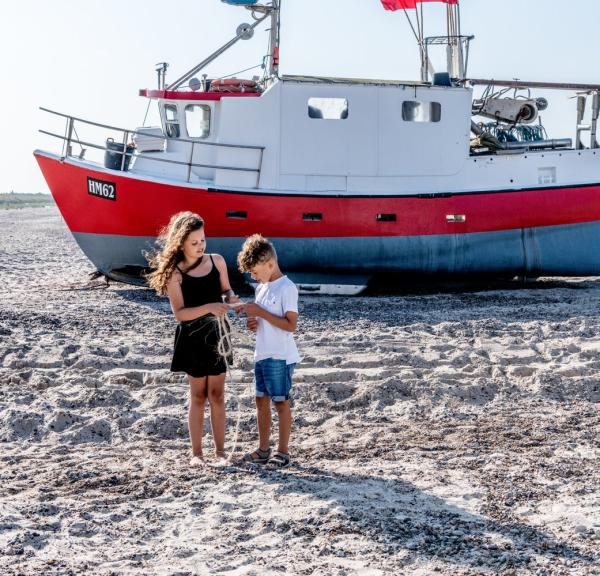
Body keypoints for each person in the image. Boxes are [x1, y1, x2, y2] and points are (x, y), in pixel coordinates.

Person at [146, 212, 239, 467]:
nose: (200, 247)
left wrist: (230, 296)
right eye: (194, 243)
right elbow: (180, 314)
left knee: (218, 394)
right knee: (198, 396)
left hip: (218, 335)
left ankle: (220, 453)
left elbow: (226, 290)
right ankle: (197, 454)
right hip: (192, 337)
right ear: (181, 243)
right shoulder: (175, 273)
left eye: (203, 240)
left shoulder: (217, 261)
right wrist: (210, 306)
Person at [236, 234, 300, 469]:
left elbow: (291, 325)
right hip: (262, 353)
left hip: (280, 356)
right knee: (260, 400)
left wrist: (261, 313)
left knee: (280, 401)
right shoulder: (261, 289)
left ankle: (283, 452)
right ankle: (264, 450)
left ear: (269, 264)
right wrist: (253, 322)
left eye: (254, 271)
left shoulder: (287, 288)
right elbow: (262, 322)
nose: (253, 277)